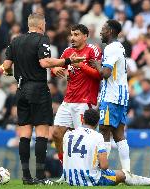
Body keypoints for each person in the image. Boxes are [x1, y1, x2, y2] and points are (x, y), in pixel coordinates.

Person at [0, 13, 85, 185]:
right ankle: (40, 176)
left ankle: (26, 176)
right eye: (44, 23)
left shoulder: (15, 41)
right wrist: (67, 61)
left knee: (24, 134)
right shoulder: (42, 39)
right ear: (40, 25)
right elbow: (44, 63)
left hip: (21, 90)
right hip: (37, 88)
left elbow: (6, 67)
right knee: (42, 133)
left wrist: (9, 72)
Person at [63, 108, 150, 186]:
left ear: (83, 120)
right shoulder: (97, 136)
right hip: (89, 180)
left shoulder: (68, 135)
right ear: (97, 124)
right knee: (123, 175)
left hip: (70, 179)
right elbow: (104, 166)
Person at [51, 24, 102, 165]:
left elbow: (100, 75)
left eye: (77, 34)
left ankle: (90, 168)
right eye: (72, 34)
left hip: (85, 101)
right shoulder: (68, 52)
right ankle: (65, 168)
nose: (73, 38)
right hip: (68, 100)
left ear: (85, 36)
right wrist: (55, 70)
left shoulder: (93, 50)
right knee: (56, 134)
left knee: (84, 139)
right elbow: (55, 67)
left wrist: (82, 66)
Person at [92, 20, 131, 172]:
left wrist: (96, 64)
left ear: (110, 31)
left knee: (103, 131)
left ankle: (102, 171)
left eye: (103, 29)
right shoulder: (119, 46)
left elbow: (105, 74)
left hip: (111, 96)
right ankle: (127, 172)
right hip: (121, 95)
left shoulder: (111, 47)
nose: (101, 32)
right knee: (119, 134)